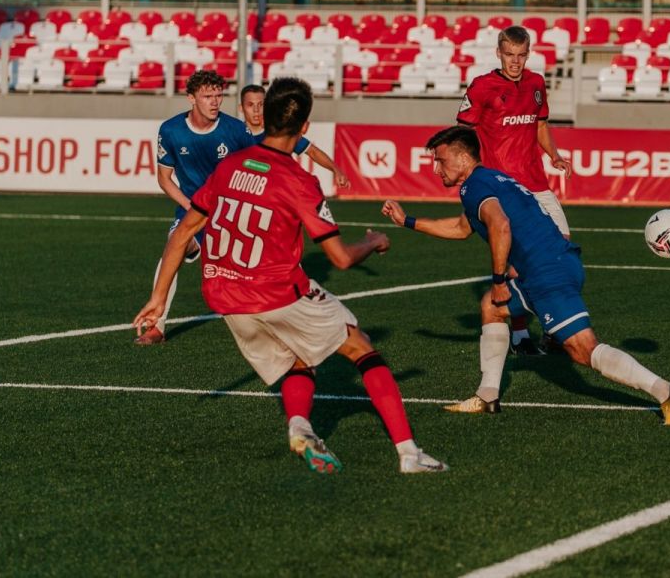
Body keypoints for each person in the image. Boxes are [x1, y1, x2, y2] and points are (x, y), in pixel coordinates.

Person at [133, 77, 447, 474]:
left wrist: (158, 298)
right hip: (277, 292)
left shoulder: (229, 166)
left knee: (300, 359)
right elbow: (340, 258)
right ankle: (409, 453)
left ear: (263, 117)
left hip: (226, 298)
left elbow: (182, 233)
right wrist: (373, 242)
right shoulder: (299, 181)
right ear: (305, 126)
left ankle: (300, 426)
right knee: (362, 348)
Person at [381, 125, 670, 425]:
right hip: (553, 264)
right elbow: (461, 228)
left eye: (440, 160)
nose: (436, 169)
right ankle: (487, 396)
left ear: (463, 158)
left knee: (583, 349)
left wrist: (499, 281)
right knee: (491, 307)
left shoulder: (473, 186)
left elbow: (500, 226)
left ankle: (665, 391)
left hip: (547, 272)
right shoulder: (491, 179)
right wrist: (407, 221)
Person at [138, 72, 329, 345]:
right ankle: (155, 325)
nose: (215, 102)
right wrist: (193, 207)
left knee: (269, 259)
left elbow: (261, 162)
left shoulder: (236, 130)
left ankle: (299, 312)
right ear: (191, 98)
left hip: (232, 211)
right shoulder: (170, 130)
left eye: (218, 96)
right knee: (174, 247)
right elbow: (164, 179)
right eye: (208, 96)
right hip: (193, 209)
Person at [457, 25, 571, 356]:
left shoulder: (536, 83)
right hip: (504, 188)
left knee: (563, 252)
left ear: (528, 54)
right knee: (518, 263)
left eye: (521, 55)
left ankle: (551, 327)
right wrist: (473, 174)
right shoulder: (482, 87)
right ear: (499, 53)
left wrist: (554, 155)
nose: (515, 62)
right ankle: (521, 335)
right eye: (509, 55)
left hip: (537, 183)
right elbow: (463, 132)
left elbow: (540, 125)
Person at [240, 83, 351, 189]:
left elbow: (312, 151)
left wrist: (336, 170)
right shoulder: (235, 133)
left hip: (275, 193)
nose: (256, 110)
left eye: (261, 104)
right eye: (250, 105)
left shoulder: (280, 131)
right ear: (241, 108)